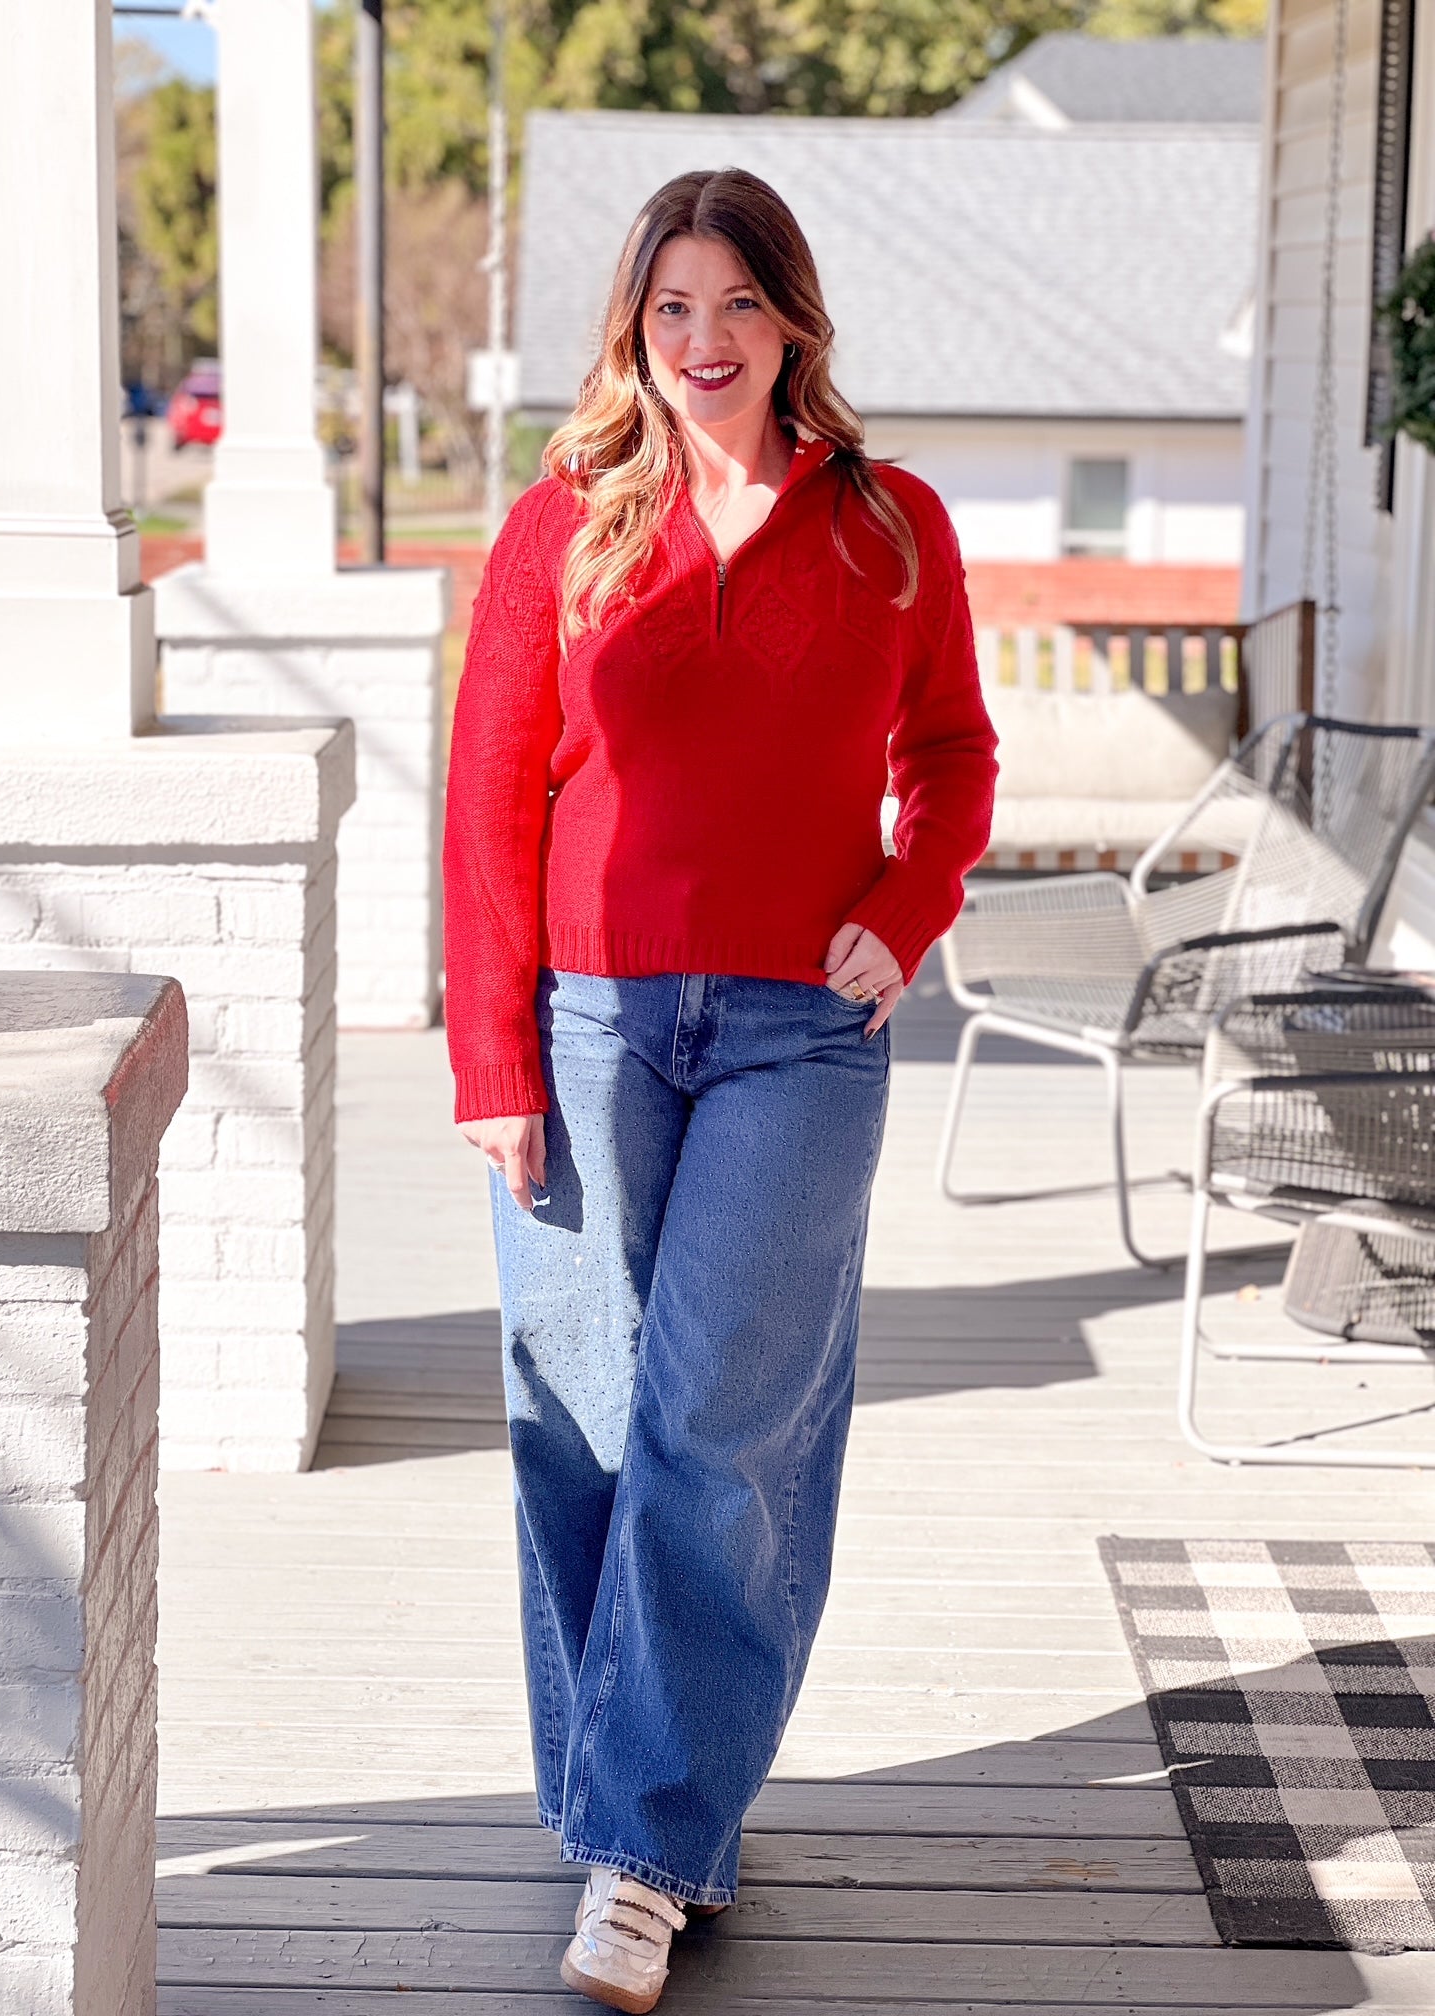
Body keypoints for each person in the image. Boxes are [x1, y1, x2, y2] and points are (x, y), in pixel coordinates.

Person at [443, 166, 996, 2013]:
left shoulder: (890, 526)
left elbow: (955, 752)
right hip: (588, 1026)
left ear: (791, 323)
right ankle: (652, 1816)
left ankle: (638, 1861)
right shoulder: (565, 525)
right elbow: (488, 797)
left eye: (735, 308)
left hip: (794, 1040)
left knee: (718, 1433)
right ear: (634, 329)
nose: (702, 345)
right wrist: (492, 1060)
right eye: (670, 310)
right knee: (582, 1433)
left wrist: (903, 911)